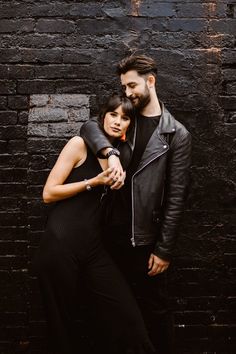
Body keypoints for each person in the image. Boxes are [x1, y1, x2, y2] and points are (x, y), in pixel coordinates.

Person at [80, 54, 192, 354]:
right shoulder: (124, 117)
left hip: (143, 240)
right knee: (108, 312)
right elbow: (90, 126)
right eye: (124, 86)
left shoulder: (176, 134)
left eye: (132, 85)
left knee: (153, 310)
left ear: (150, 81)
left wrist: (163, 249)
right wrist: (109, 151)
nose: (127, 93)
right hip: (105, 233)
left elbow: (177, 195)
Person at [33, 94, 155, 354]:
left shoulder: (122, 155)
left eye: (125, 118)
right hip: (59, 245)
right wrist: (94, 182)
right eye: (113, 115)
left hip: (93, 249)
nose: (118, 121)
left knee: (127, 318)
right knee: (62, 329)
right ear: (103, 117)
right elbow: (48, 193)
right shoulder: (79, 144)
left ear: (129, 127)